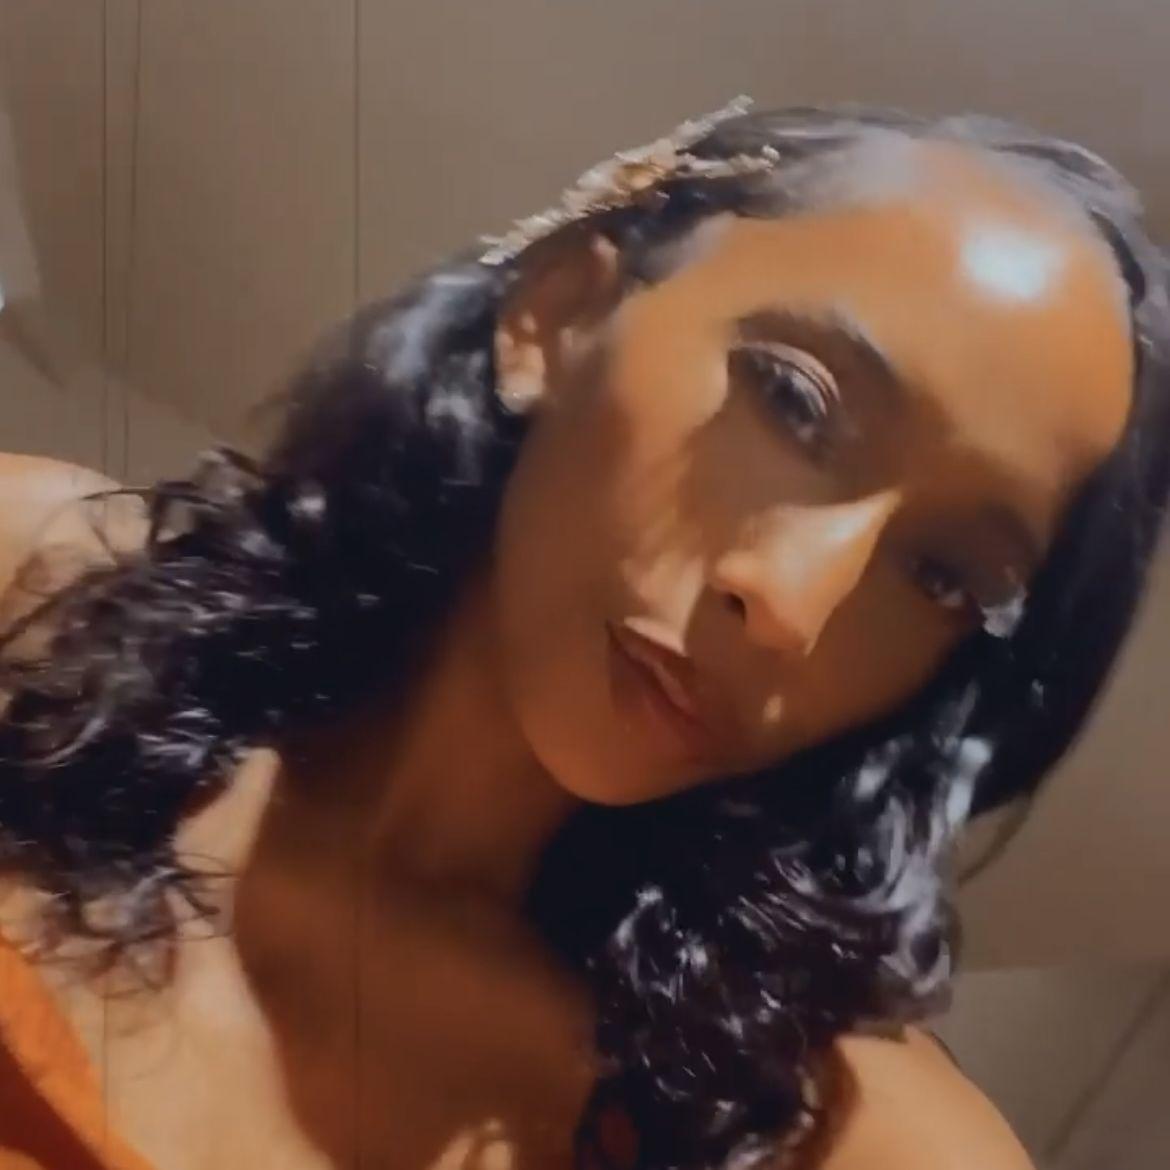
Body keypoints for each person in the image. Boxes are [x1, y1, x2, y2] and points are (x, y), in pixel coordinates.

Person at [0, 101, 1166, 1170]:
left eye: (942, 576)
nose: (792, 608)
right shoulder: (34, 591)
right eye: (795, 402)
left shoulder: (818, 1134)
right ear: (557, 315)